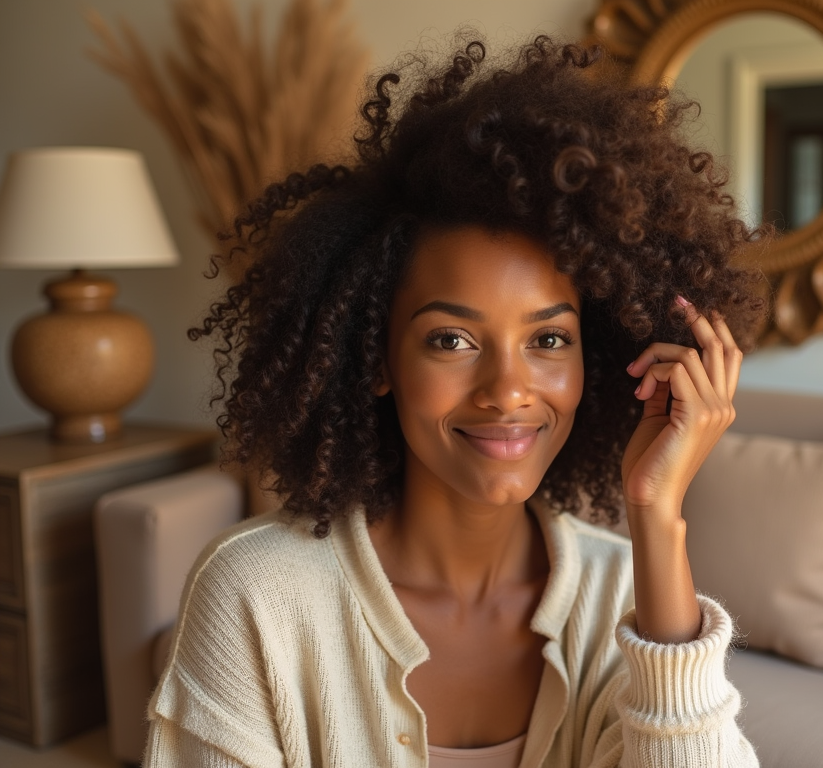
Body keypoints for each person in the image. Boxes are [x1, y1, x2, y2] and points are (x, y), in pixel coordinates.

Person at [145, 34, 767, 768]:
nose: (507, 390)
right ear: (378, 359)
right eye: (451, 341)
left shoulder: (625, 595)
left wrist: (657, 519)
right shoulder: (256, 594)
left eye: (548, 341)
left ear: (591, 359)